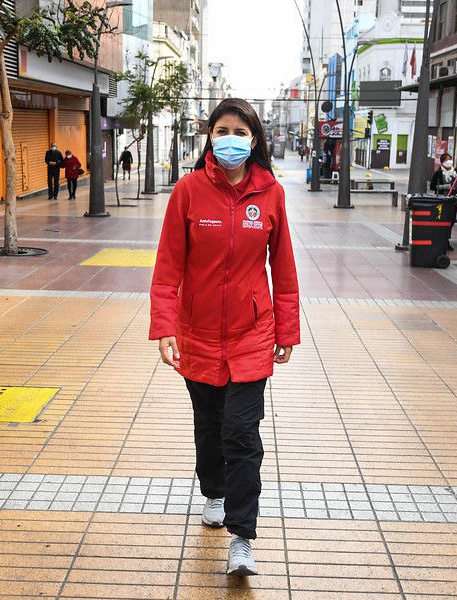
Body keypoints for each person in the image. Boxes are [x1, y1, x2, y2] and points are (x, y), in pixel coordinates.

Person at [149, 98, 299, 578]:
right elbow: (168, 265)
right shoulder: (190, 191)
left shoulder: (271, 194)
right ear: (209, 136)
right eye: (221, 130)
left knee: (242, 433)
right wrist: (165, 326)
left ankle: (242, 537)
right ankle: (212, 491)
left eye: (239, 130)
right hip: (196, 334)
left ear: (254, 139)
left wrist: (286, 329)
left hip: (251, 335)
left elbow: (285, 269)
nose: (230, 138)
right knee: (210, 426)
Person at [429, 152, 457, 251]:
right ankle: (443, 241)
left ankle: (446, 239)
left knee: (451, 221)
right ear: (442, 162)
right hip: (442, 201)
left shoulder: (456, 172)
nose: (449, 161)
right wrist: (444, 186)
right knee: (443, 221)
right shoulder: (438, 173)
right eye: (447, 159)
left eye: (450, 159)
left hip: (453, 201)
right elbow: (432, 186)